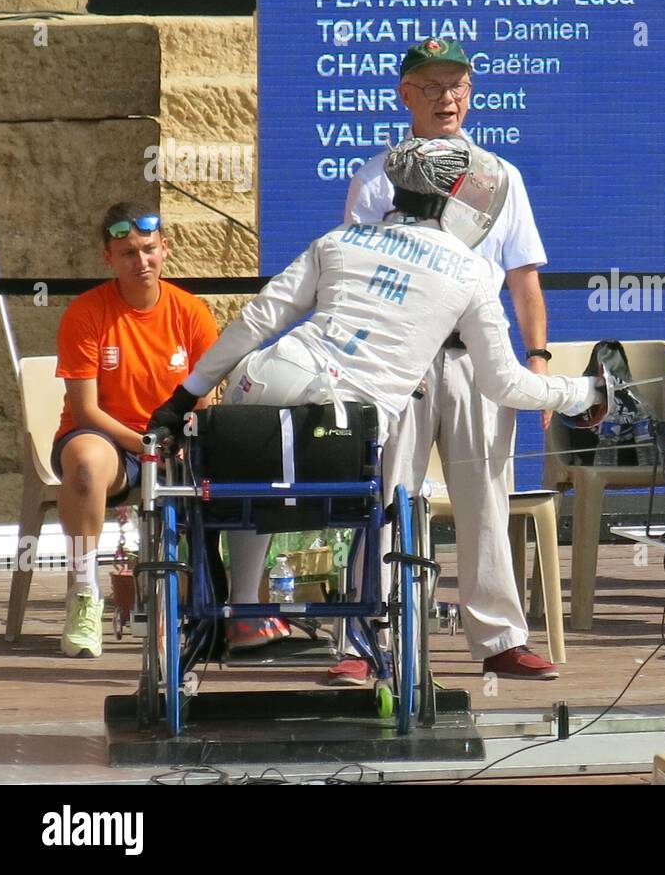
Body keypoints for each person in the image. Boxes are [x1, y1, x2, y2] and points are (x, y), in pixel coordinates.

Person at [150, 138, 601, 680]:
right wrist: (584, 393)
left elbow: (256, 321)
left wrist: (181, 399)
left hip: (264, 378)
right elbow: (505, 383)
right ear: (454, 200)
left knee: (251, 483)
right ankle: (356, 639)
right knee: (376, 501)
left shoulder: (339, 240)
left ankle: (245, 608)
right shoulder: (469, 269)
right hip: (347, 420)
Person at [342, 37, 559, 683]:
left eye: (457, 86)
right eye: (432, 87)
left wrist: (539, 361)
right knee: (385, 495)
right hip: (398, 357)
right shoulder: (376, 176)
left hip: (478, 356)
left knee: (487, 497)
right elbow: (352, 276)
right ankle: (362, 641)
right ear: (405, 94)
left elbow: (523, 279)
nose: (447, 98)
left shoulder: (500, 176)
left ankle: (499, 637)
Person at [51, 204, 219, 657]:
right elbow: (84, 410)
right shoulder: (87, 313)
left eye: (148, 250)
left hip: (174, 441)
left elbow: (206, 396)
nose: (141, 262)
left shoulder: (191, 312)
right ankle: (84, 595)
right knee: (85, 463)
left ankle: (233, 605)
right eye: (127, 253)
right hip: (110, 440)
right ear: (108, 258)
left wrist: (177, 440)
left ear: (165, 248)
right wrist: (147, 445)